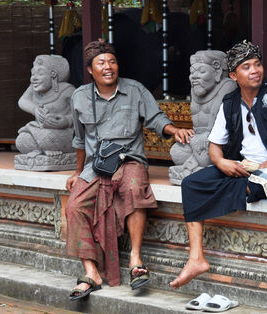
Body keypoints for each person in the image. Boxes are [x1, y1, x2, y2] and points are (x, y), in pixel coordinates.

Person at [169, 40, 267, 289]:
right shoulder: (230, 102)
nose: (255, 70)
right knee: (191, 184)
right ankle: (196, 258)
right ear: (233, 75)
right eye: (246, 67)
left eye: (257, 64)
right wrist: (222, 163)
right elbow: (214, 146)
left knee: (253, 187)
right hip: (244, 167)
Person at [65, 38, 194, 301]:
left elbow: (157, 119)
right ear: (90, 70)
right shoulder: (79, 97)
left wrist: (174, 130)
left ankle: (135, 258)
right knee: (74, 206)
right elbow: (79, 140)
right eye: (101, 63)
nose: (108, 66)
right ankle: (91, 272)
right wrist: (78, 172)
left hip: (130, 159)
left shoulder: (135, 90)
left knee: (135, 188)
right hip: (96, 166)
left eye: (112, 61)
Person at [169, 50, 237, 184]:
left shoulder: (228, 86)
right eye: (192, 72)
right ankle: (198, 169)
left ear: (216, 72)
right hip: (198, 141)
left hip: (219, 141)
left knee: (207, 157)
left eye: (201, 71)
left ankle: (197, 169)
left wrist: (206, 138)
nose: (194, 76)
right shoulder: (197, 87)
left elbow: (218, 122)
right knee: (176, 152)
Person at [16, 55, 75, 156]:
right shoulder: (33, 89)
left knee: (47, 137)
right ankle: (41, 150)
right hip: (39, 130)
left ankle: (43, 148)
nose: (34, 78)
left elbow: (82, 114)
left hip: (61, 133)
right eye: (33, 74)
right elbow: (22, 101)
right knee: (21, 139)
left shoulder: (68, 90)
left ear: (53, 74)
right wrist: (34, 109)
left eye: (40, 74)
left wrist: (66, 121)